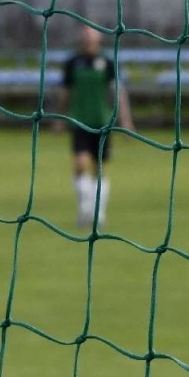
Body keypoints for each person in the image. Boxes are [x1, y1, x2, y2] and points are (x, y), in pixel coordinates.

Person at [54, 26, 133, 231]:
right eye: (86, 38)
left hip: (102, 123)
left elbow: (117, 93)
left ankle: (99, 213)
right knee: (80, 164)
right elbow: (65, 92)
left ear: (98, 41)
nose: (89, 42)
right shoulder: (73, 63)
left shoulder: (107, 63)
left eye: (92, 38)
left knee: (99, 168)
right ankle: (84, 208)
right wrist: (60, 118)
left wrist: (125, 121)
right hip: (80, 121)